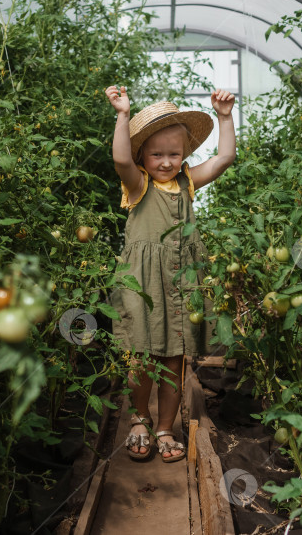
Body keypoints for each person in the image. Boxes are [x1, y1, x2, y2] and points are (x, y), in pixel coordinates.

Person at [105, 85, 236, 462]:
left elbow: (225, 157)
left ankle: (165, 426)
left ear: (184, 155)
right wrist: (122, 115)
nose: (165, 161)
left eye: (174, 154)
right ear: (142, 154)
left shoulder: (187, 181)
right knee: (141, 354)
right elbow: (119, 160)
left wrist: (224, 118)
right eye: (157, 154)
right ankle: (139, 418)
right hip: (142, 283)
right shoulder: (138, 184)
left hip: (181, 282)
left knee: (176, 358)